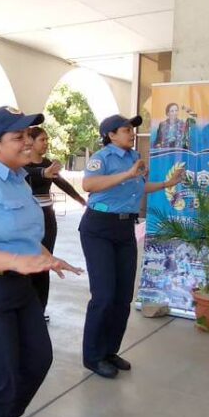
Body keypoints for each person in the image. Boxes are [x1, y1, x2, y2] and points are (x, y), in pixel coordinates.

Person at [0, 106, 82, 417]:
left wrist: (46, 257)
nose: (28, 142)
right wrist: (16, 261)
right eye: (18, 136)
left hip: (20, 288)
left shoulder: (19, 181)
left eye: (29, 135)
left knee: (38, 359)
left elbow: (20, 234)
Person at [80, 114, 182, 379]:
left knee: (123, 296)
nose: (131, 133)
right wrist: (127, 174)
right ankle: (93, 357)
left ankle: (110, 351)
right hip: (99, 228)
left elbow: (138, 187)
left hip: (125, 228)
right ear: (111, 135)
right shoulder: (102, 158)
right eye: (126, 130)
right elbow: (89, 184)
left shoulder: (133, 157)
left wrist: (167, 184)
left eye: (132, 129)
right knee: (103, 296)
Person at [24, 127, 86, 321]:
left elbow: (62, 184)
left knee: (46, 260)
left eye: (47, 140)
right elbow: (29, 173)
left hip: (47, 218)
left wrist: (82, 201)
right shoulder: (23, 163)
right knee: (28, 261)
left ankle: (39, 310)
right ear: (31, 142)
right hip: (28, 218)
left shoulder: (48, 163)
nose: (46, 143)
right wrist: (44, 172)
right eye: (42, 139)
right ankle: (25, 308)